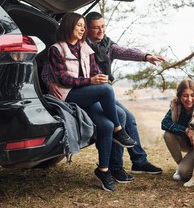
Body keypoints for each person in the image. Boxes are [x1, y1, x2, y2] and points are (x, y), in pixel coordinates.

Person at [47, 12, 136, 192]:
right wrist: (91, 82)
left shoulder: (87, 49)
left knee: (106, 123)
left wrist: (99, 78)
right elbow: (62, 78)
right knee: (105, 90)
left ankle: (103, 170)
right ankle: (119, 131)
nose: (83, 29)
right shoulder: (57, 49)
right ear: (68, 26)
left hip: (87, 94)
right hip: (70, 95)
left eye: (83, 26)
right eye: (79, 26)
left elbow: (94, 72)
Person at [85, 11, 165, 178]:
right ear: (86, 28)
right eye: (96, 28)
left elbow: (125, 51)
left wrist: (146, 56)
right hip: (89, 94)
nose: (101, 31)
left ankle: (139, 161)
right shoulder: (81, 47)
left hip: (105, 93)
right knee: (121, 118)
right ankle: (115, 167)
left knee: (130, 119)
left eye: (103, 27)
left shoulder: (107, 45)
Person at [161, 79, 194, 181]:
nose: (189, 99)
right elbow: (164, 123)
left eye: (192, 95)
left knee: (184, 174)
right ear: (179, 96)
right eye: (185, 95)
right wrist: (186, 130)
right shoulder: (176, 105)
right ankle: (180, 165)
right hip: (185, 141)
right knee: (168, 135)